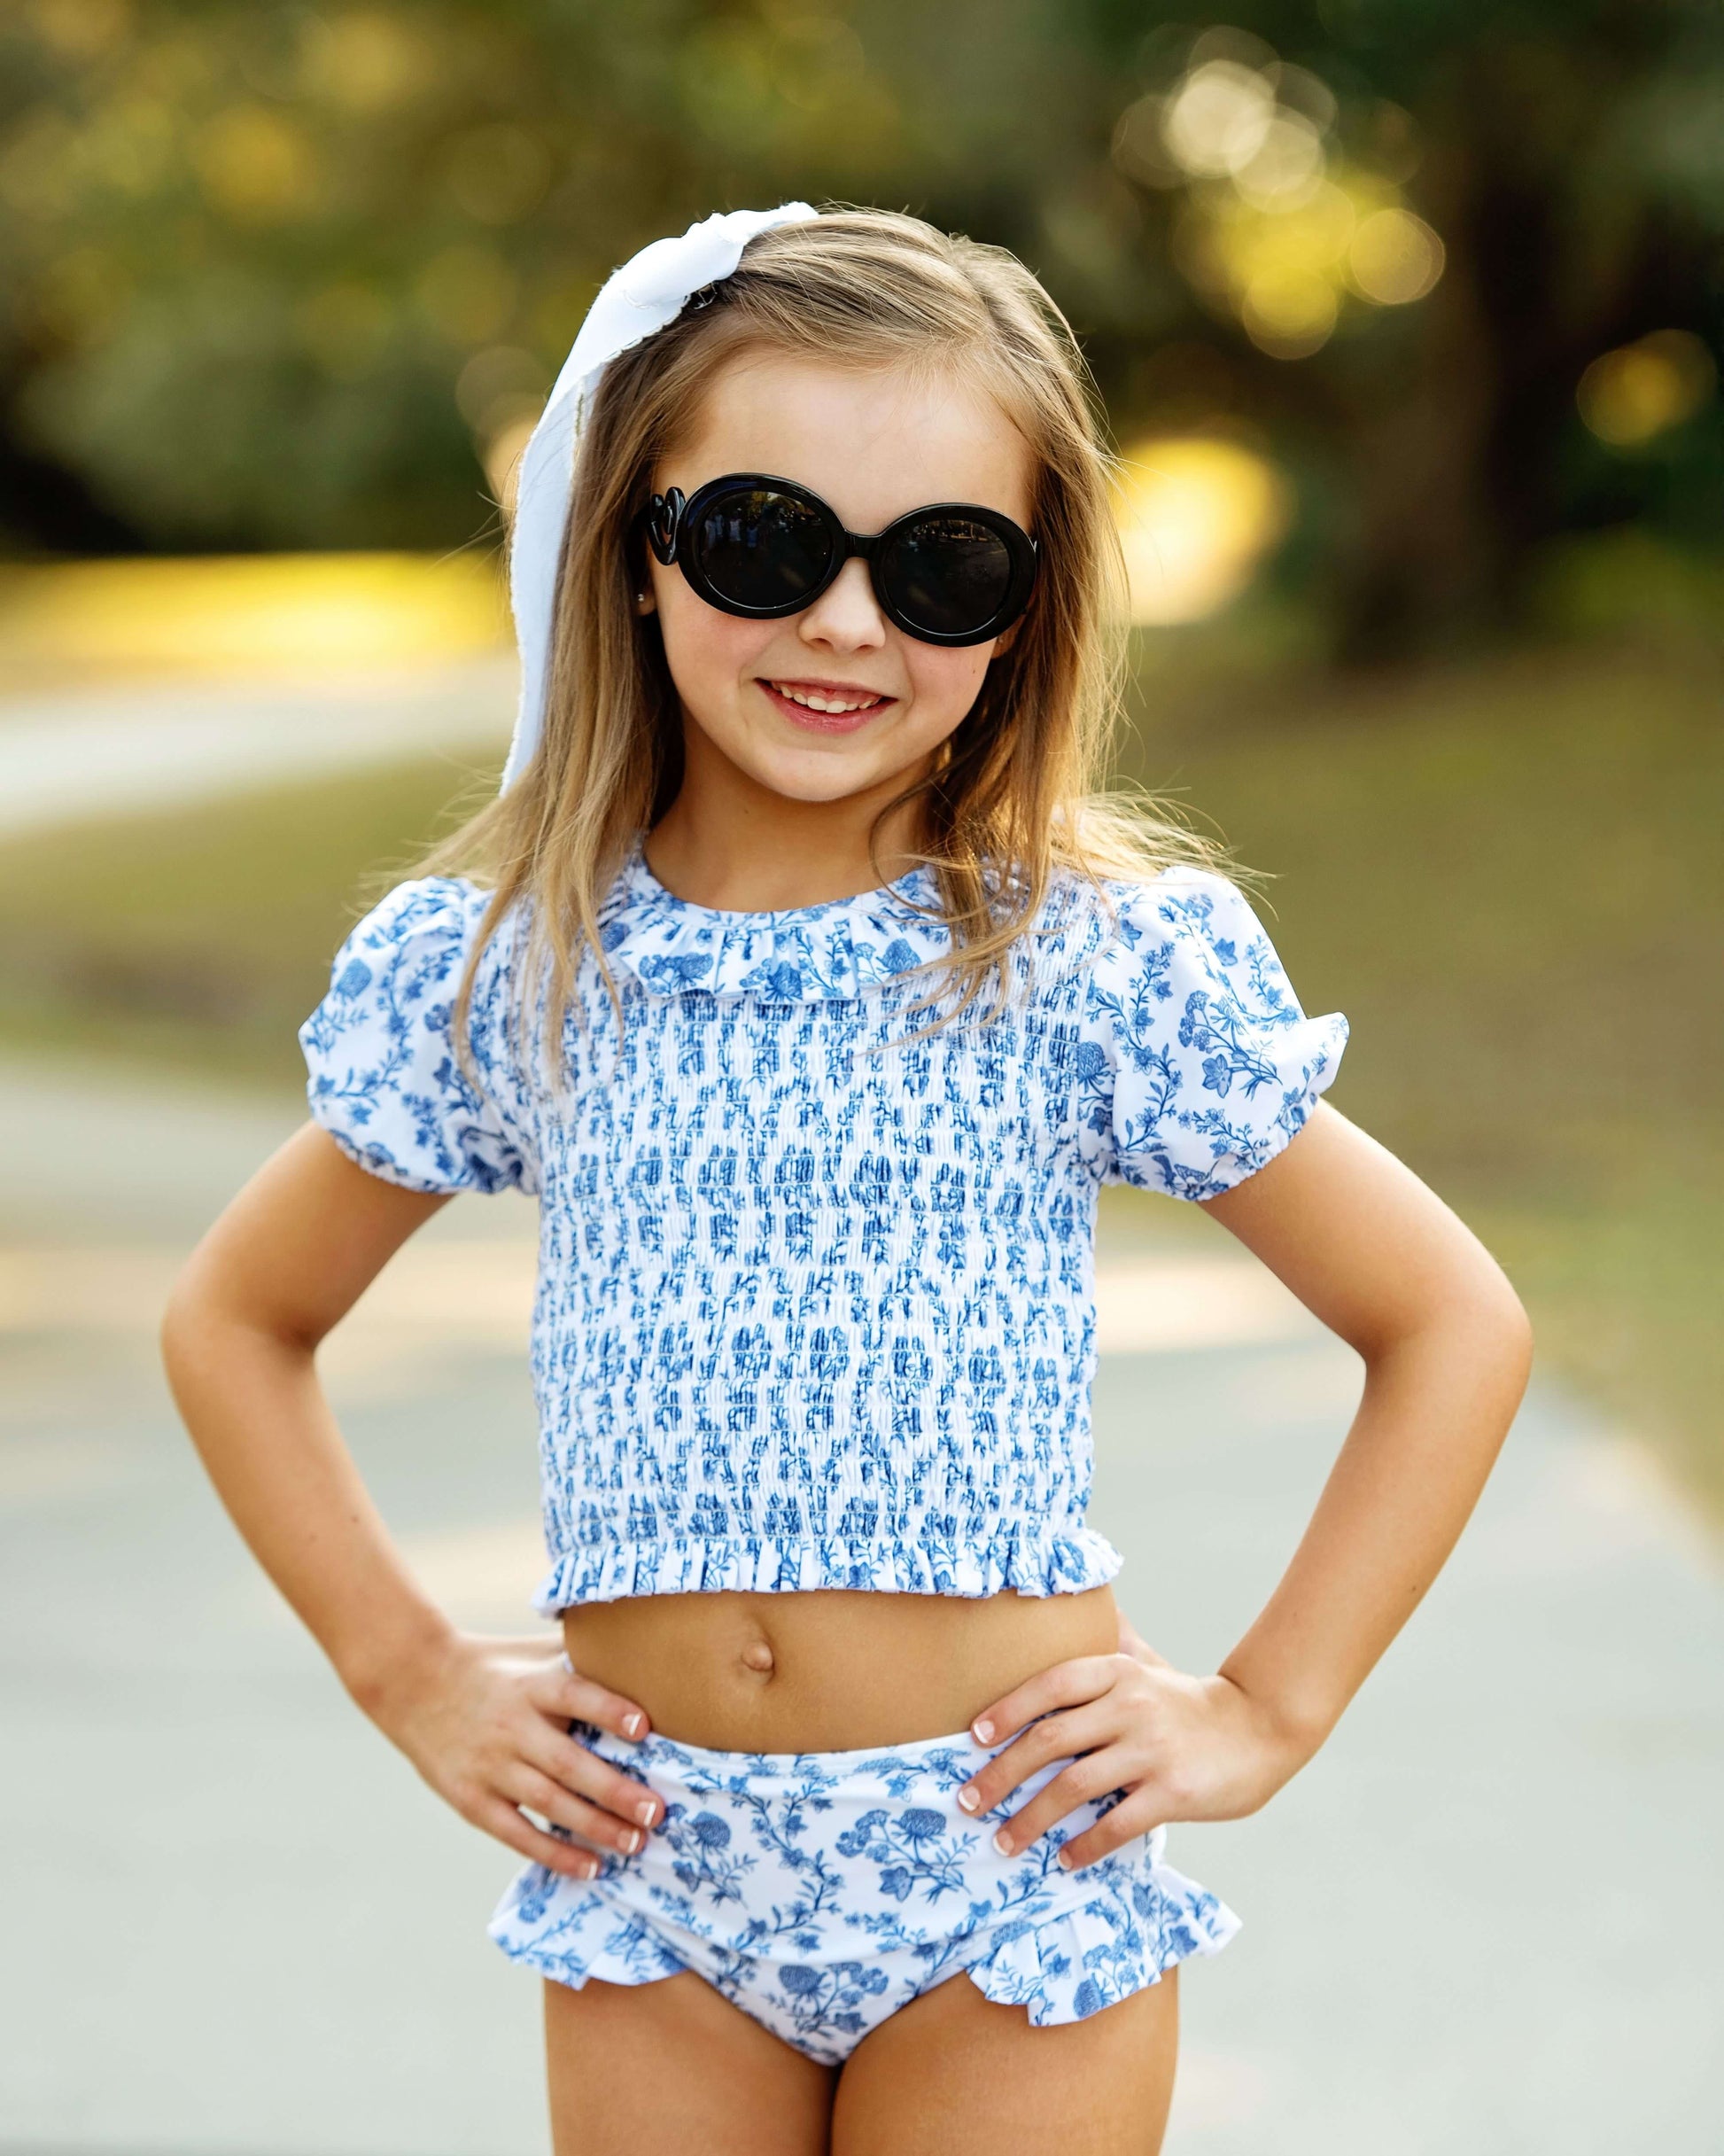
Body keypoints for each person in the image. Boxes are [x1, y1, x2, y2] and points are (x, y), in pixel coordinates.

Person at [161, 205, 1533, 2156]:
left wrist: (1262, 1704)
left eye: (943, 567)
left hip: (998, 1867)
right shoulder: (516, 967)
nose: (843, 624)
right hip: (656, 1872)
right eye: (762, 540)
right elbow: (235, 1316)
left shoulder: (1079, 957)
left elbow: (1448, 1317)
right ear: (636, 550)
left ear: (1025, 606)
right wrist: (407, 1673)